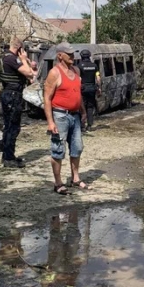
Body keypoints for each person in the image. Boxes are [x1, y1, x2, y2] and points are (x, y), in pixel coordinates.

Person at [43, 43, 89, 195]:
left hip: (75, 115)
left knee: (77, 147)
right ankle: (58, 183)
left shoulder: (75, 70)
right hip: (60, 115)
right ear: (60, 56)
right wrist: (50, 122)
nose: (72, 56)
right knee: (58, 149)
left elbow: (77, 94)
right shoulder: (54, 73)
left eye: (73, 53)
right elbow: (47, 98)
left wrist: (83, 111)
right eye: (69, 54)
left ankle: (75, 178)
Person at [0, 37, 37, 168]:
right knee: (13, 127)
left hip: (8, 94)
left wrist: (26, 63)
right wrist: (23, 59)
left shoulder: (4, 57)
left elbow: (31, 75)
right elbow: (29, 73)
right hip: (13, 95)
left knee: (9, 126)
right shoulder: (11, 58)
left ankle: (8, 155)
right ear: (20, 48)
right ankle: (8, 158)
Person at [79, 49, 101, 133]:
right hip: (92, 88)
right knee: (90, 107)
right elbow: (98, 78)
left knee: (82, 107)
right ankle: (89, 125)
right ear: (89, 56)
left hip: (83, 89)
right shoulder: (94, 66)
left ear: (81, 56)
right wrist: (99, 88)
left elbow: (78, 78)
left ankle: (82, 126)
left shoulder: (79, 66)